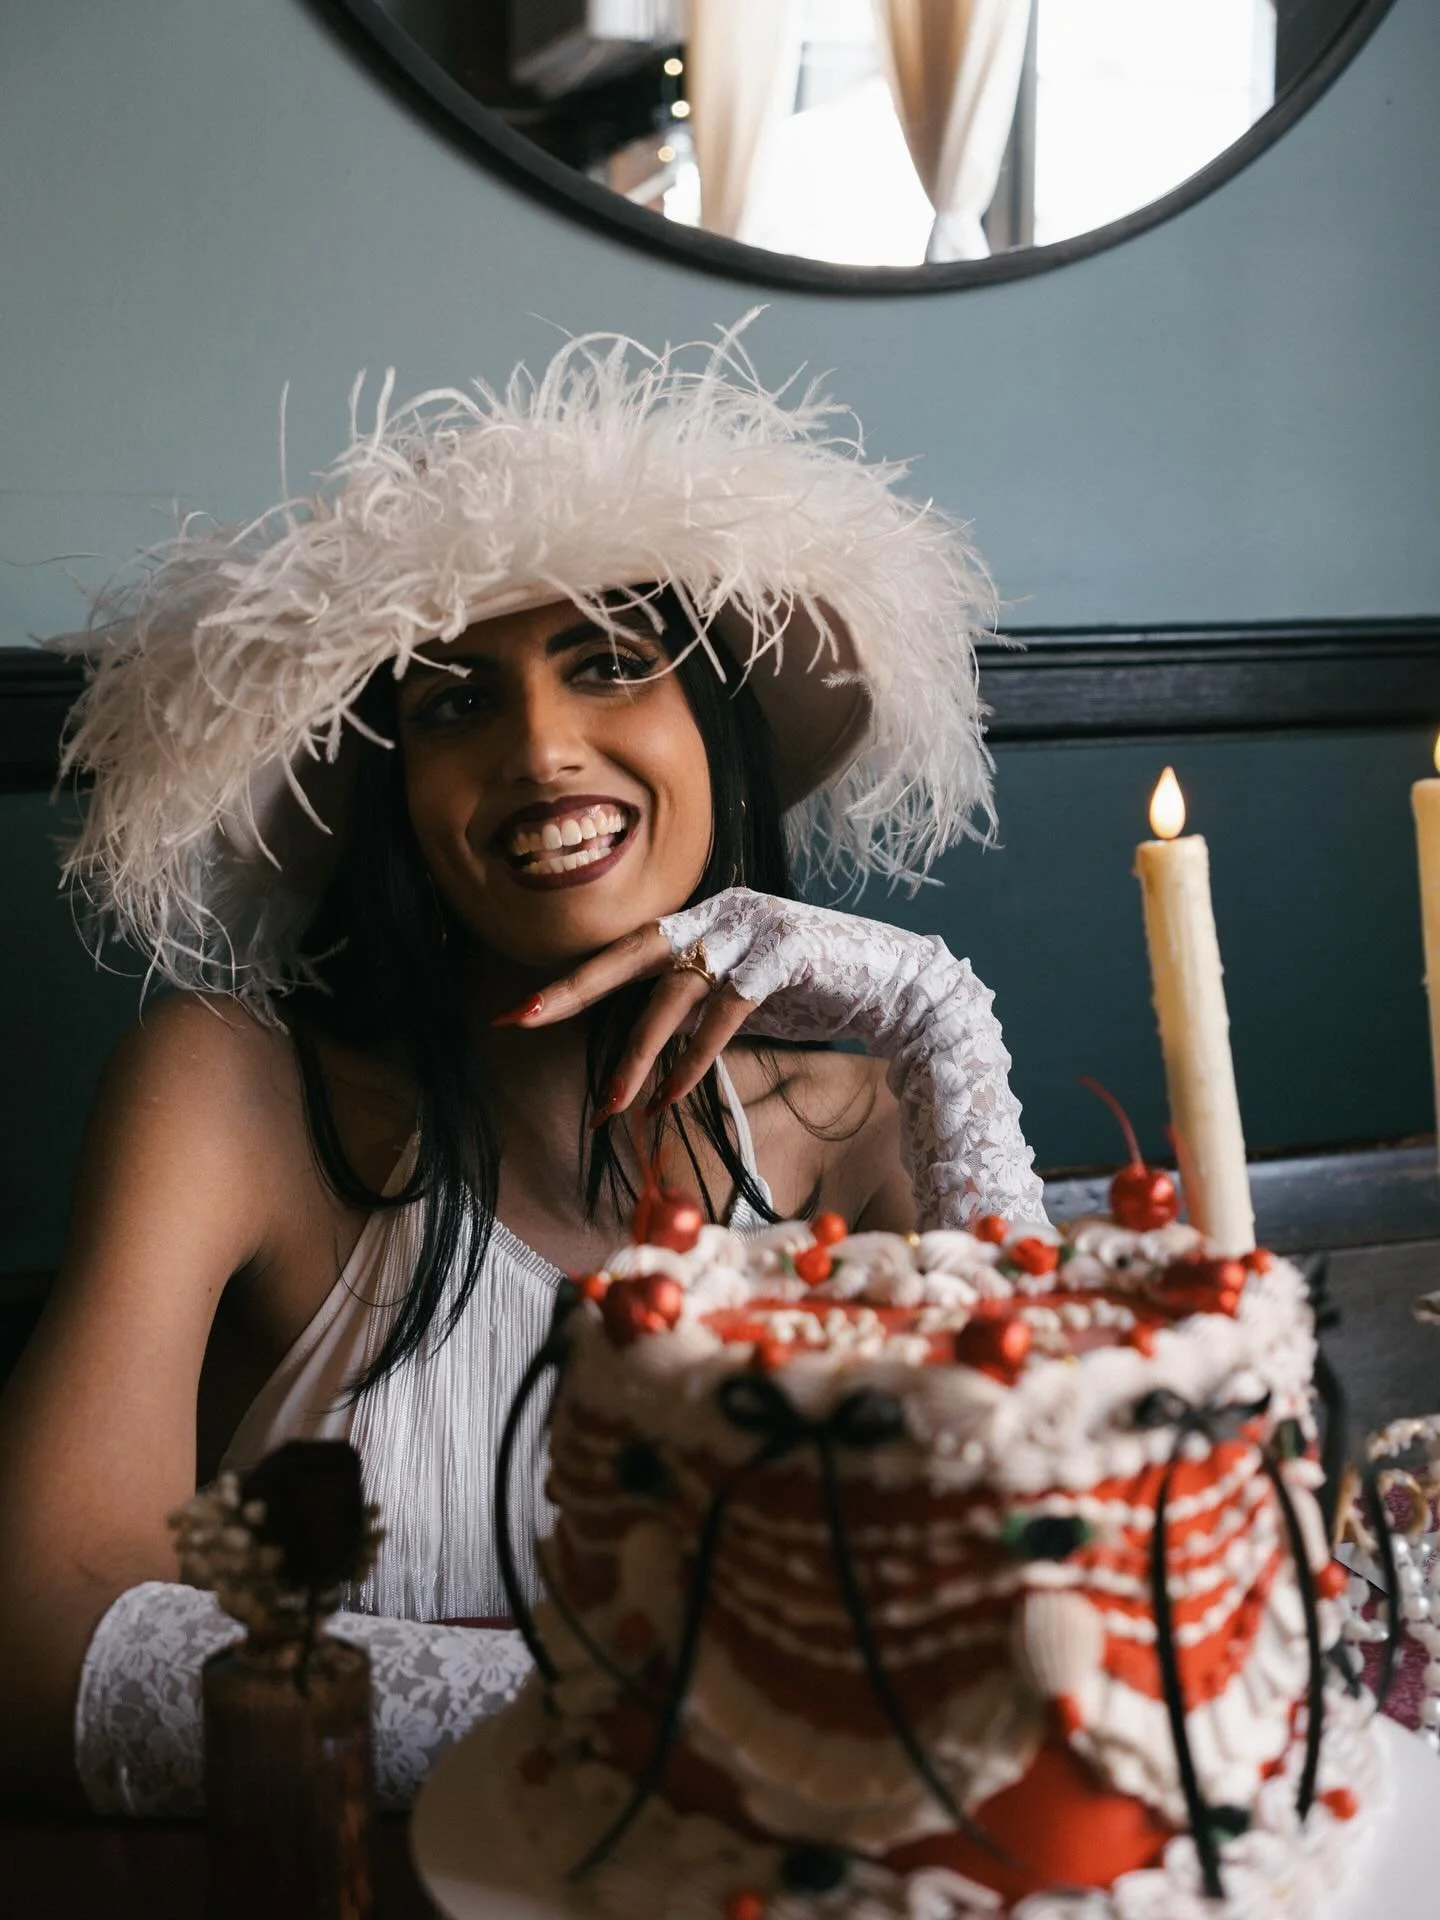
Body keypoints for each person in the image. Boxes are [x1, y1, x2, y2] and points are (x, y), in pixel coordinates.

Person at [0, 326, 1047, 1815]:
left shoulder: (864, 1121)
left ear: (713, 726)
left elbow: (1077, 1568)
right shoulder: (225, 1091)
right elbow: (43, 1653)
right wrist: (694, 1717)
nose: (546, 751)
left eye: (612, 664)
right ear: (396, 798)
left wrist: (942, 1019)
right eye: (455, 703)